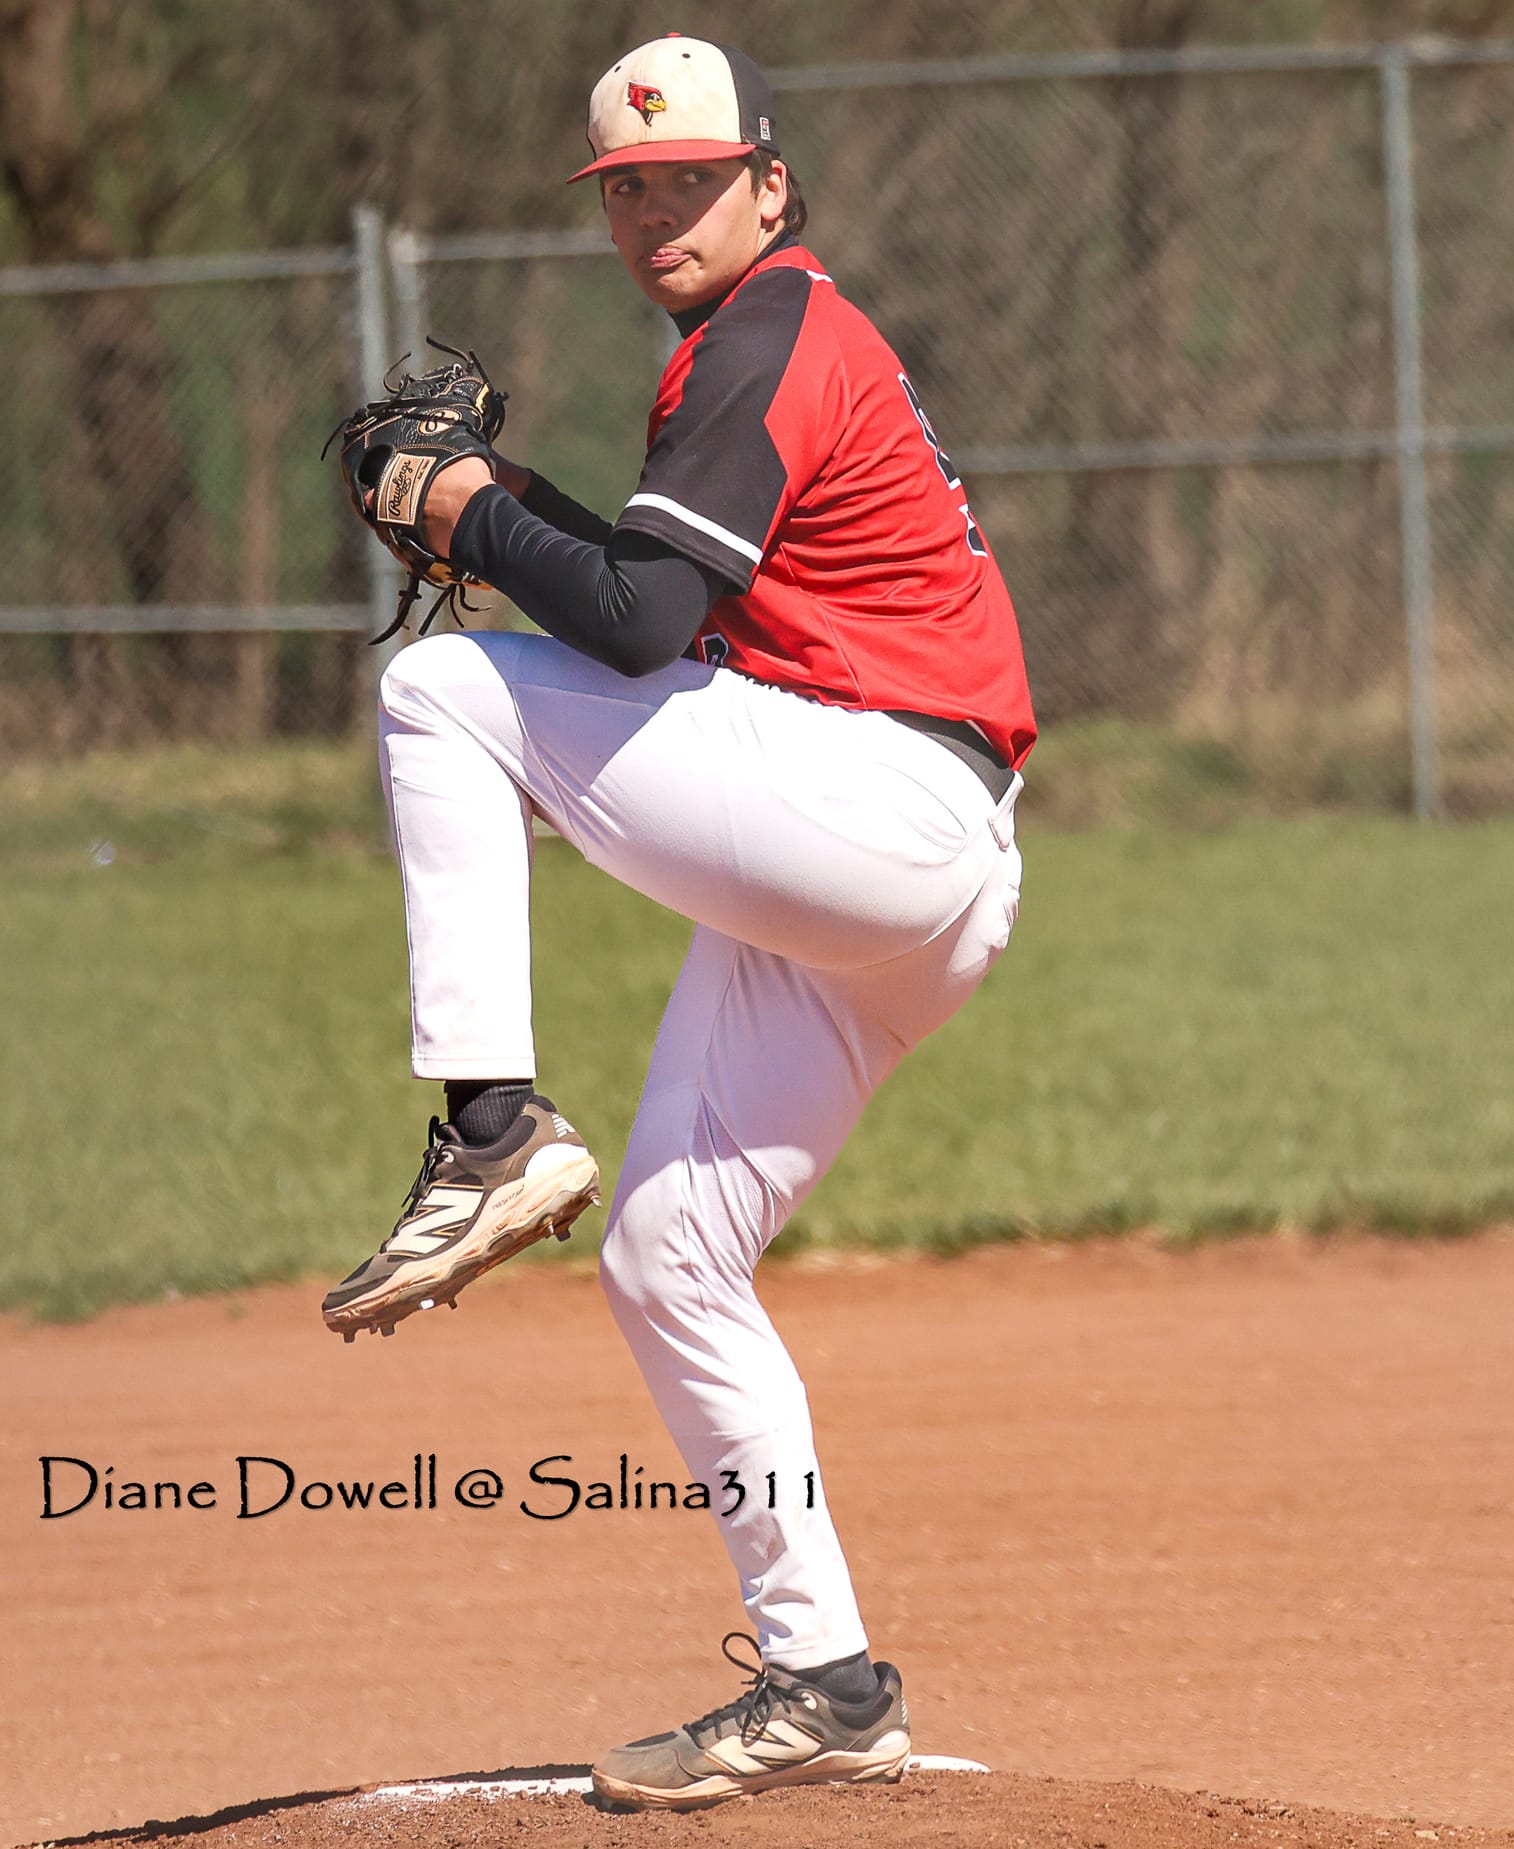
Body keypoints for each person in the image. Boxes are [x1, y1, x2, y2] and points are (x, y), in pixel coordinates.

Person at [319, 33, 1034, 1812]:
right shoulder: (754, 346)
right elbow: (657, 599)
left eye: (694, 179)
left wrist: (473, 511)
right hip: (902, 867)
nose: (657, 211)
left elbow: (636, 631)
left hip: (878, 802)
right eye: (629, 187)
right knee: (667, 1262)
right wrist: (504, 511)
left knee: (439, 695)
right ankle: (825, 1679)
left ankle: (491, 1127)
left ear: (769, 186)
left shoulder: (771, 335)